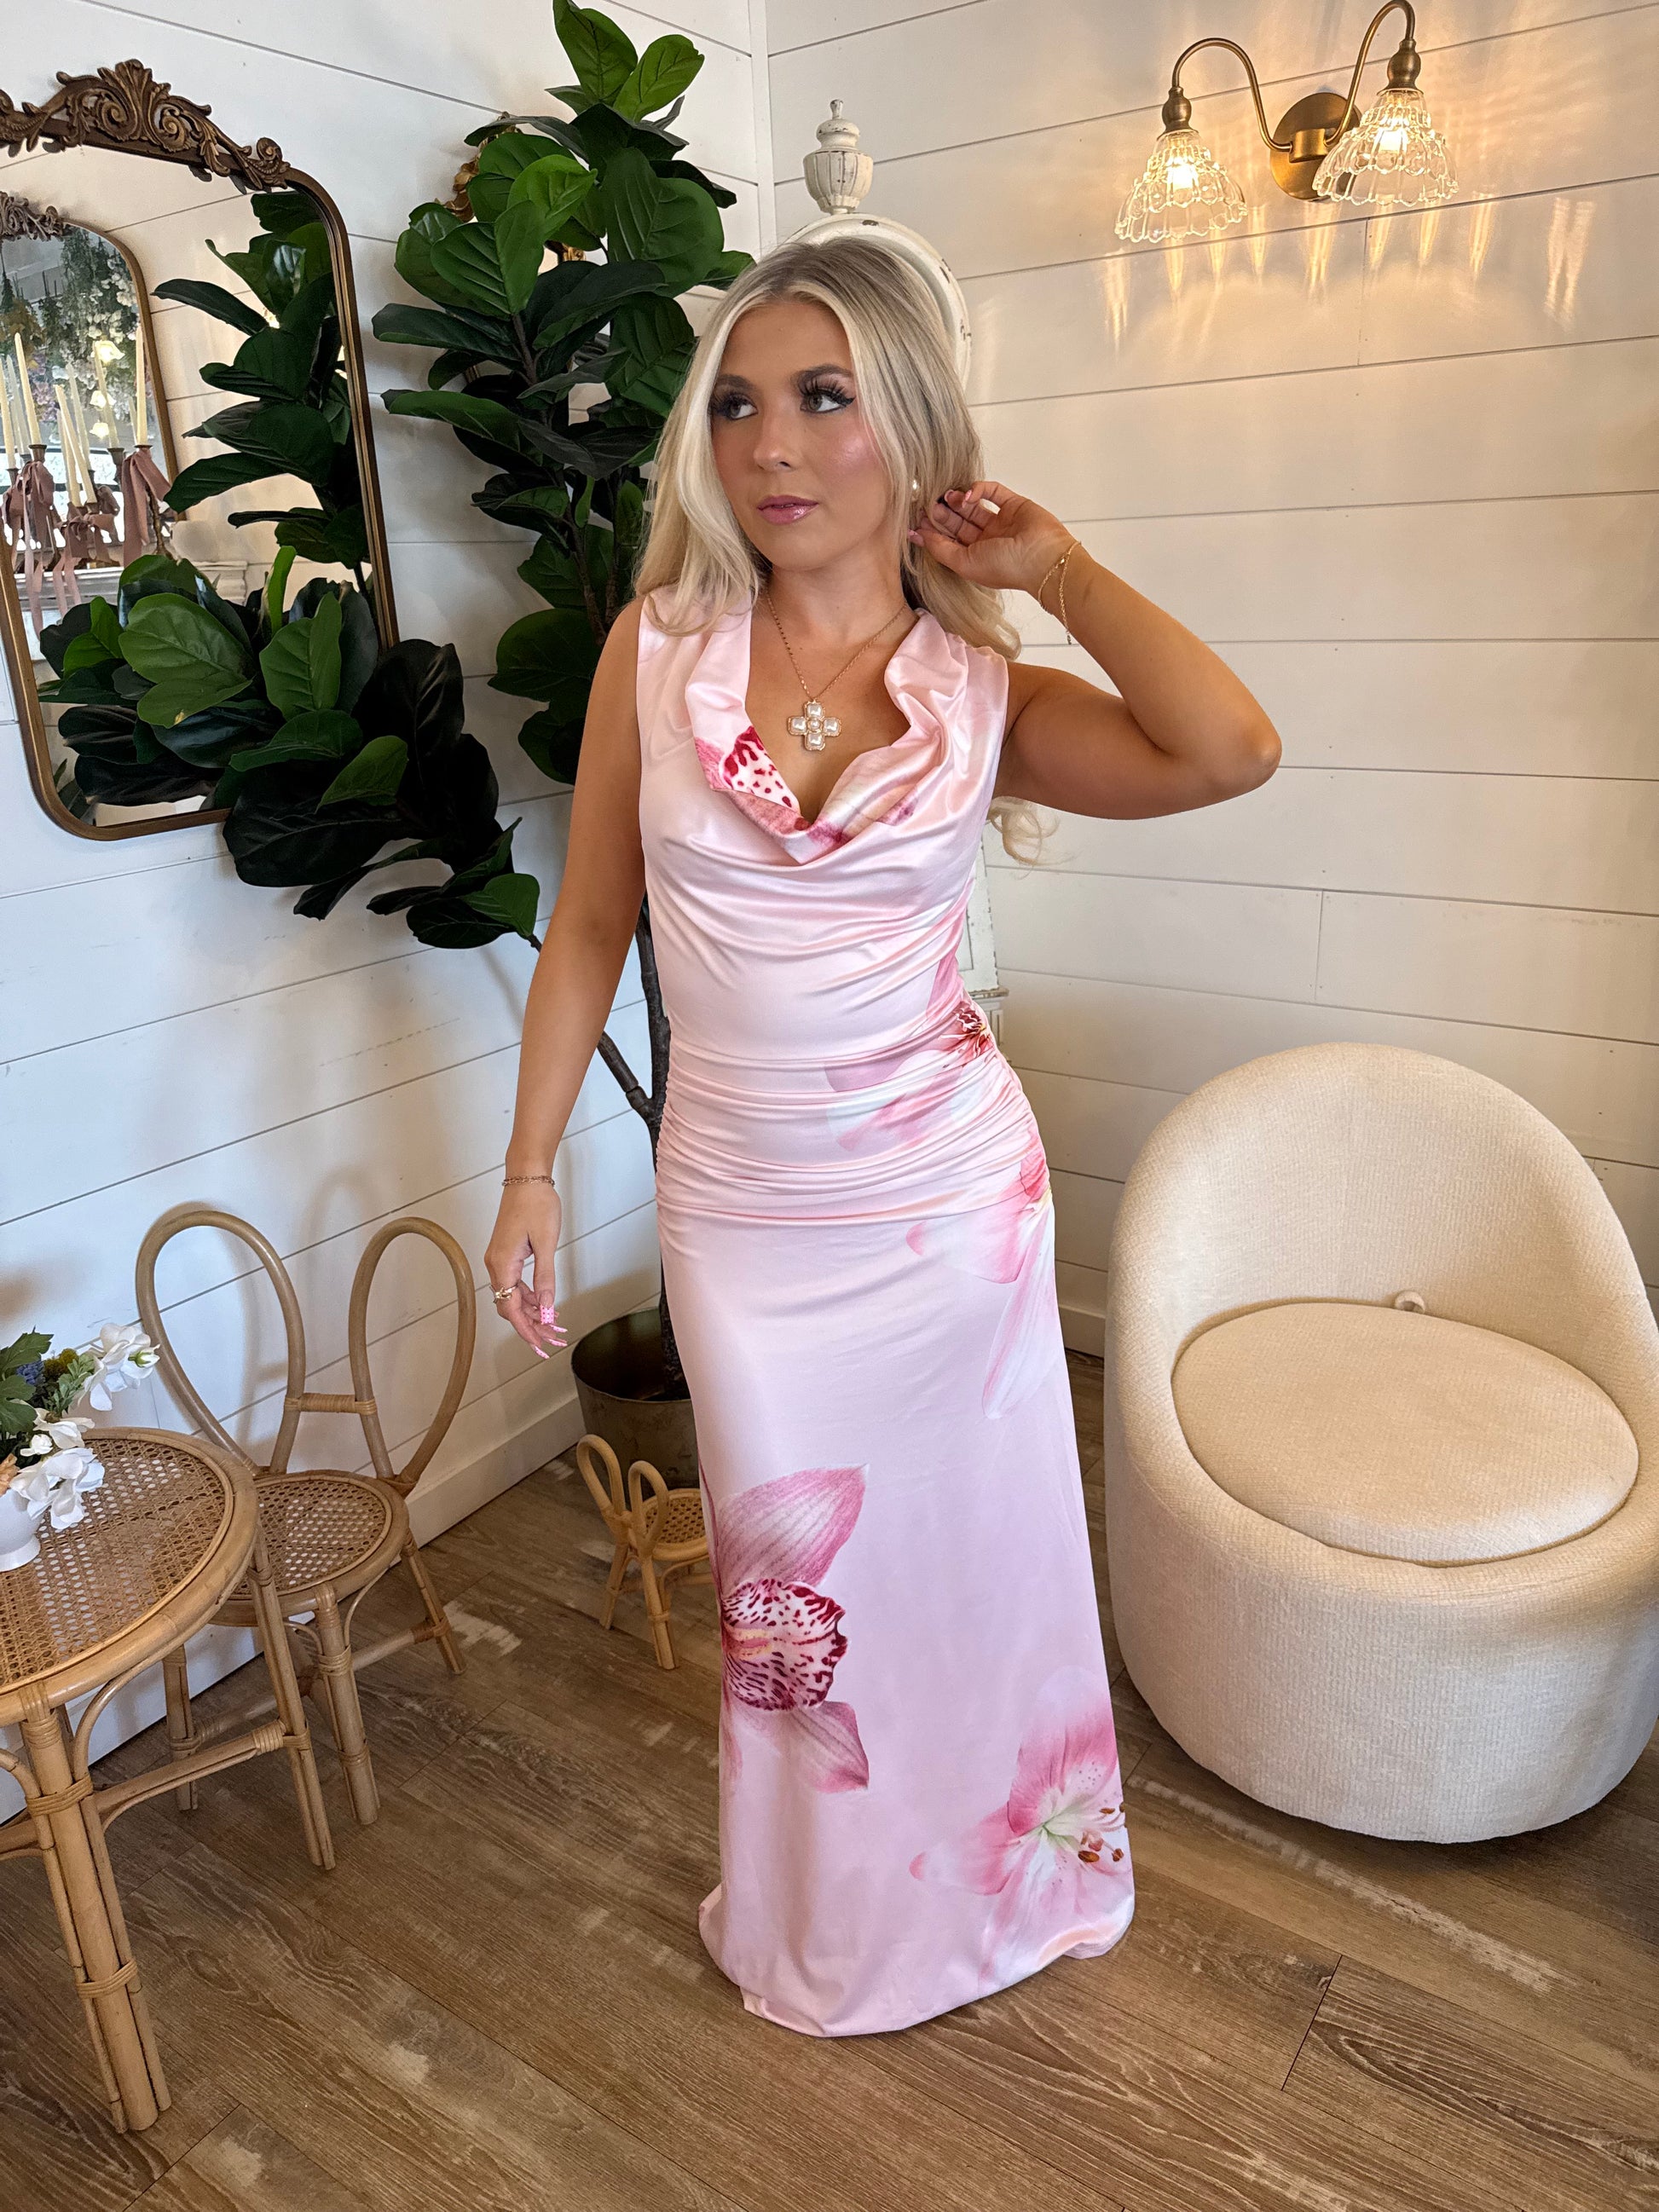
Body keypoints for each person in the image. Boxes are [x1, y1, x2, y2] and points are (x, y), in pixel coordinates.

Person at [484, 232, 1280, 2037]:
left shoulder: (983, 697)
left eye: (824, 397)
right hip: (746, 1220)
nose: (770, 444)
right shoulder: (654, 651)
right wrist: (529, 1166)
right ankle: (835, 1924)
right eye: (738, 403)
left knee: (978, 1559)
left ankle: (1021, 1875)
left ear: (910, 427)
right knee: (797, 1605)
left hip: (948, 1209)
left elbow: (1229, 749)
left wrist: (1055, 570)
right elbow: (591, 924)